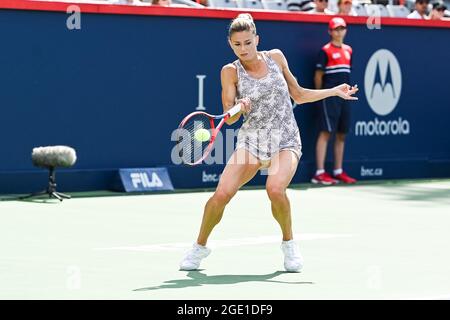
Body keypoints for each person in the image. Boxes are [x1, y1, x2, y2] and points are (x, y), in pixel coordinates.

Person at [179, 13, 358, 272]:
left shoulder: (276, 57)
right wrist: (240, 107)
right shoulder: (229, 72)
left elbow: (298, 93)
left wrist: (333, 91)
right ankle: (199, 248)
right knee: (221, 195)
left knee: (275, 188)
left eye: (248, 43)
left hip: (285, 138)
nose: (244, 49)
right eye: (238, 44)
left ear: (257, 39)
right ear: (231, 45)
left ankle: (289, 244)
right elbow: (228, 118)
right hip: (252, 141)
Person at [311, 17, 357, 185]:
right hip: (329, 97)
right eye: (336, 29)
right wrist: (320, 95)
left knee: (341, 134)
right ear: (330, 32)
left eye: (342, 28)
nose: (339, 32)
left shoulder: (349, 50)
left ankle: (338, 171)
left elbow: (346, 75)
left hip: (344, 98)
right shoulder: (325, 51)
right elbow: (318, 76)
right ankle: (320, 172)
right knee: (325, 133)